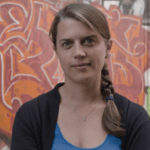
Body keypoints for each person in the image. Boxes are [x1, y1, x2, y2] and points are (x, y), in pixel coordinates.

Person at [10, 3, 150, 150]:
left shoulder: (135, 118)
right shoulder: (31, 117)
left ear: (107, 47)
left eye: (89, 41)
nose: (78, 52)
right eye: (67, 44)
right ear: (56, 51)